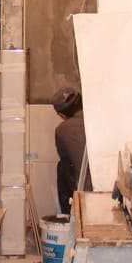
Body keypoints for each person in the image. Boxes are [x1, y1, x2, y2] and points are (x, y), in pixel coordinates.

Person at [51, 87, 92, 215]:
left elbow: (67, 166)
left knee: (62, 167)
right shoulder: (98, 118)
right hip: (108, 187)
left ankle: (68, 216)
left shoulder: (62, 130)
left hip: (85, 193)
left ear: (62, 115)